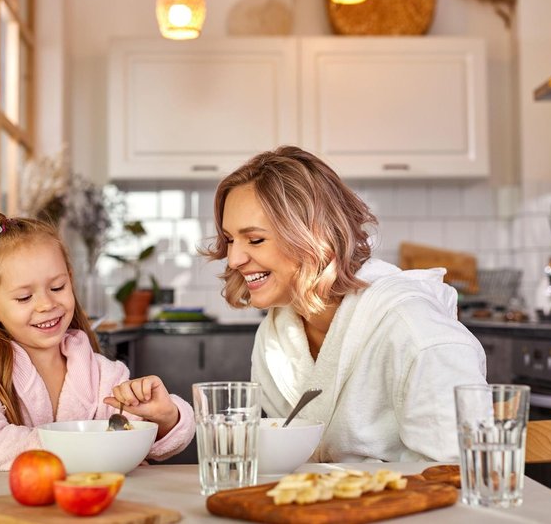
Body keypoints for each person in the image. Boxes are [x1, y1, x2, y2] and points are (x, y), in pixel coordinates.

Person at [202, 145, 487, 464]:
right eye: (229, 239)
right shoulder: (277, 336)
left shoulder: (415, 330)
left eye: (255, 239)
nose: (234, 258)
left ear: (316, 236)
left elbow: (458, 474)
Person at [0, 212, 195, 498]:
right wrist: (81, 446)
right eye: (25, 297)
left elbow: (128, 435)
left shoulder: (101, 373)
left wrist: (164, 419)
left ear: (70, 280)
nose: (47, 304)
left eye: (57, 287)